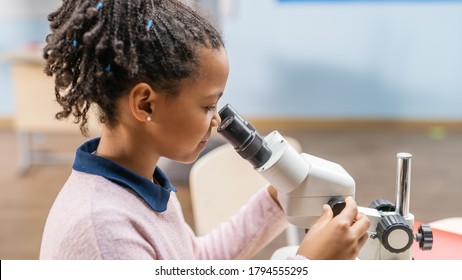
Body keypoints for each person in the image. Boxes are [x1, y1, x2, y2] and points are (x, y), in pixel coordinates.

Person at [39, 0, 370, 260]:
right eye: (208, 105)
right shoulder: (104, 229)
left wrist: (277, 199)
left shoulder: (141, 182)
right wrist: (308, 266)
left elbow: (196, 260)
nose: (216, 121)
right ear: (145, 104)